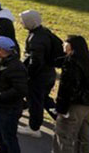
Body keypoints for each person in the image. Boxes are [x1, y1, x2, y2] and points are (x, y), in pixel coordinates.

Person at [53, 35, 89, 153]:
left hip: (74, 105)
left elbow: (67, 88)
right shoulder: (88, 60)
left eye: (65, 43)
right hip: (88, 104)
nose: (62, 45)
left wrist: (61, 108)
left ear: (71, 46)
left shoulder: (71, 62)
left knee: (64, 135)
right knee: (86, 136)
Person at [19, 9, 62, 138]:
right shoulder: (45, 32)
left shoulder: (35, 38)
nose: (21, 23)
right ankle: (61, 120)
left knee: (35, 102)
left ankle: (34, 127)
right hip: (49, 74)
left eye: (23, 21)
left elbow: (36, 61)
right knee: (44, 99)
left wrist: (28, 74)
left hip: (38, 76)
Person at [0, 36, 29, 153]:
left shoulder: (16, 67)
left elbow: (20, 89)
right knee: (1, 137)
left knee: (8, 139)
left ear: (1, 49)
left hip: (7, 110)